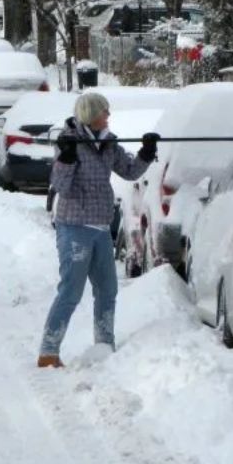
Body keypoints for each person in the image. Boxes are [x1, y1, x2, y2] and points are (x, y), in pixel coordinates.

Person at [38, 92, 158, 368]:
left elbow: (129, 171)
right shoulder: (69, 141)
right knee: (71, 291)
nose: (108, 115)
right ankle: (49, 351)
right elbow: (61, 186)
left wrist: (146, 152)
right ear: (91, 116)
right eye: (104, 111)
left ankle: (104, 345)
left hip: (101, 227)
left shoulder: (108, 143)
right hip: (75, 226)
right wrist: (66, 158)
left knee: (107, 289)